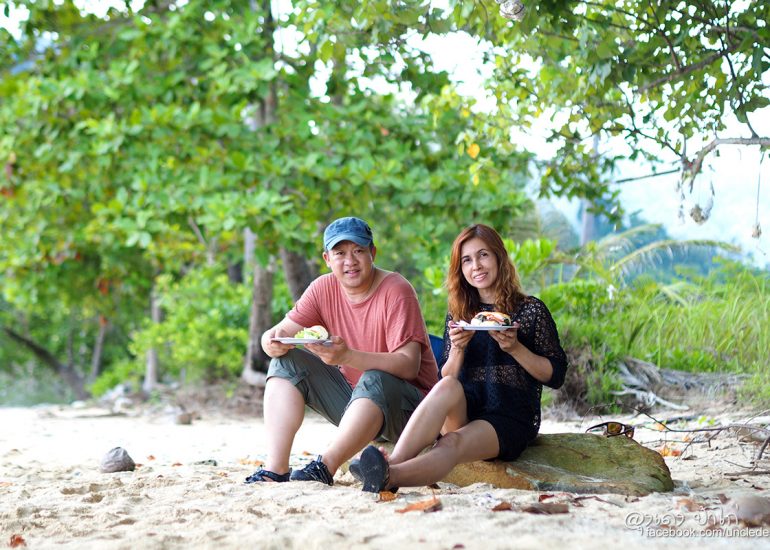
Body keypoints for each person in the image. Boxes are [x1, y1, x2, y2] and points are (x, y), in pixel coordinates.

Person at [357, 223, 568, 493]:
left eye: (483, 255)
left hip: (508, 418)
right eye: (467, 260)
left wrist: (515, 348)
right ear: (460, 269)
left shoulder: (529, 311)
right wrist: (457, 348)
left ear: (499, 258)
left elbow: (555, 375)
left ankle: (390, 477)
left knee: (450, 442)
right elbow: (447, 377)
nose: (476, 266)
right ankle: (391, 462)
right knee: (446, 385)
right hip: (467, 408)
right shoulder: (461, 314)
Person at [245, 216, 438, 486]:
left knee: (375, 377)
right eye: (340, 253)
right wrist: (269, 340)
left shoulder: (396, 290)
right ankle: (276, 469)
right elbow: (281, 331)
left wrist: (347, 357)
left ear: (372, 253)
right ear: (327, 258)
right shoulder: (322, 288)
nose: (350, 261)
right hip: (358, 406)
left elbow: (409, 365)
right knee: (285, 361)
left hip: (411, 413)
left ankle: (325, 466)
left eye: (358, 250)